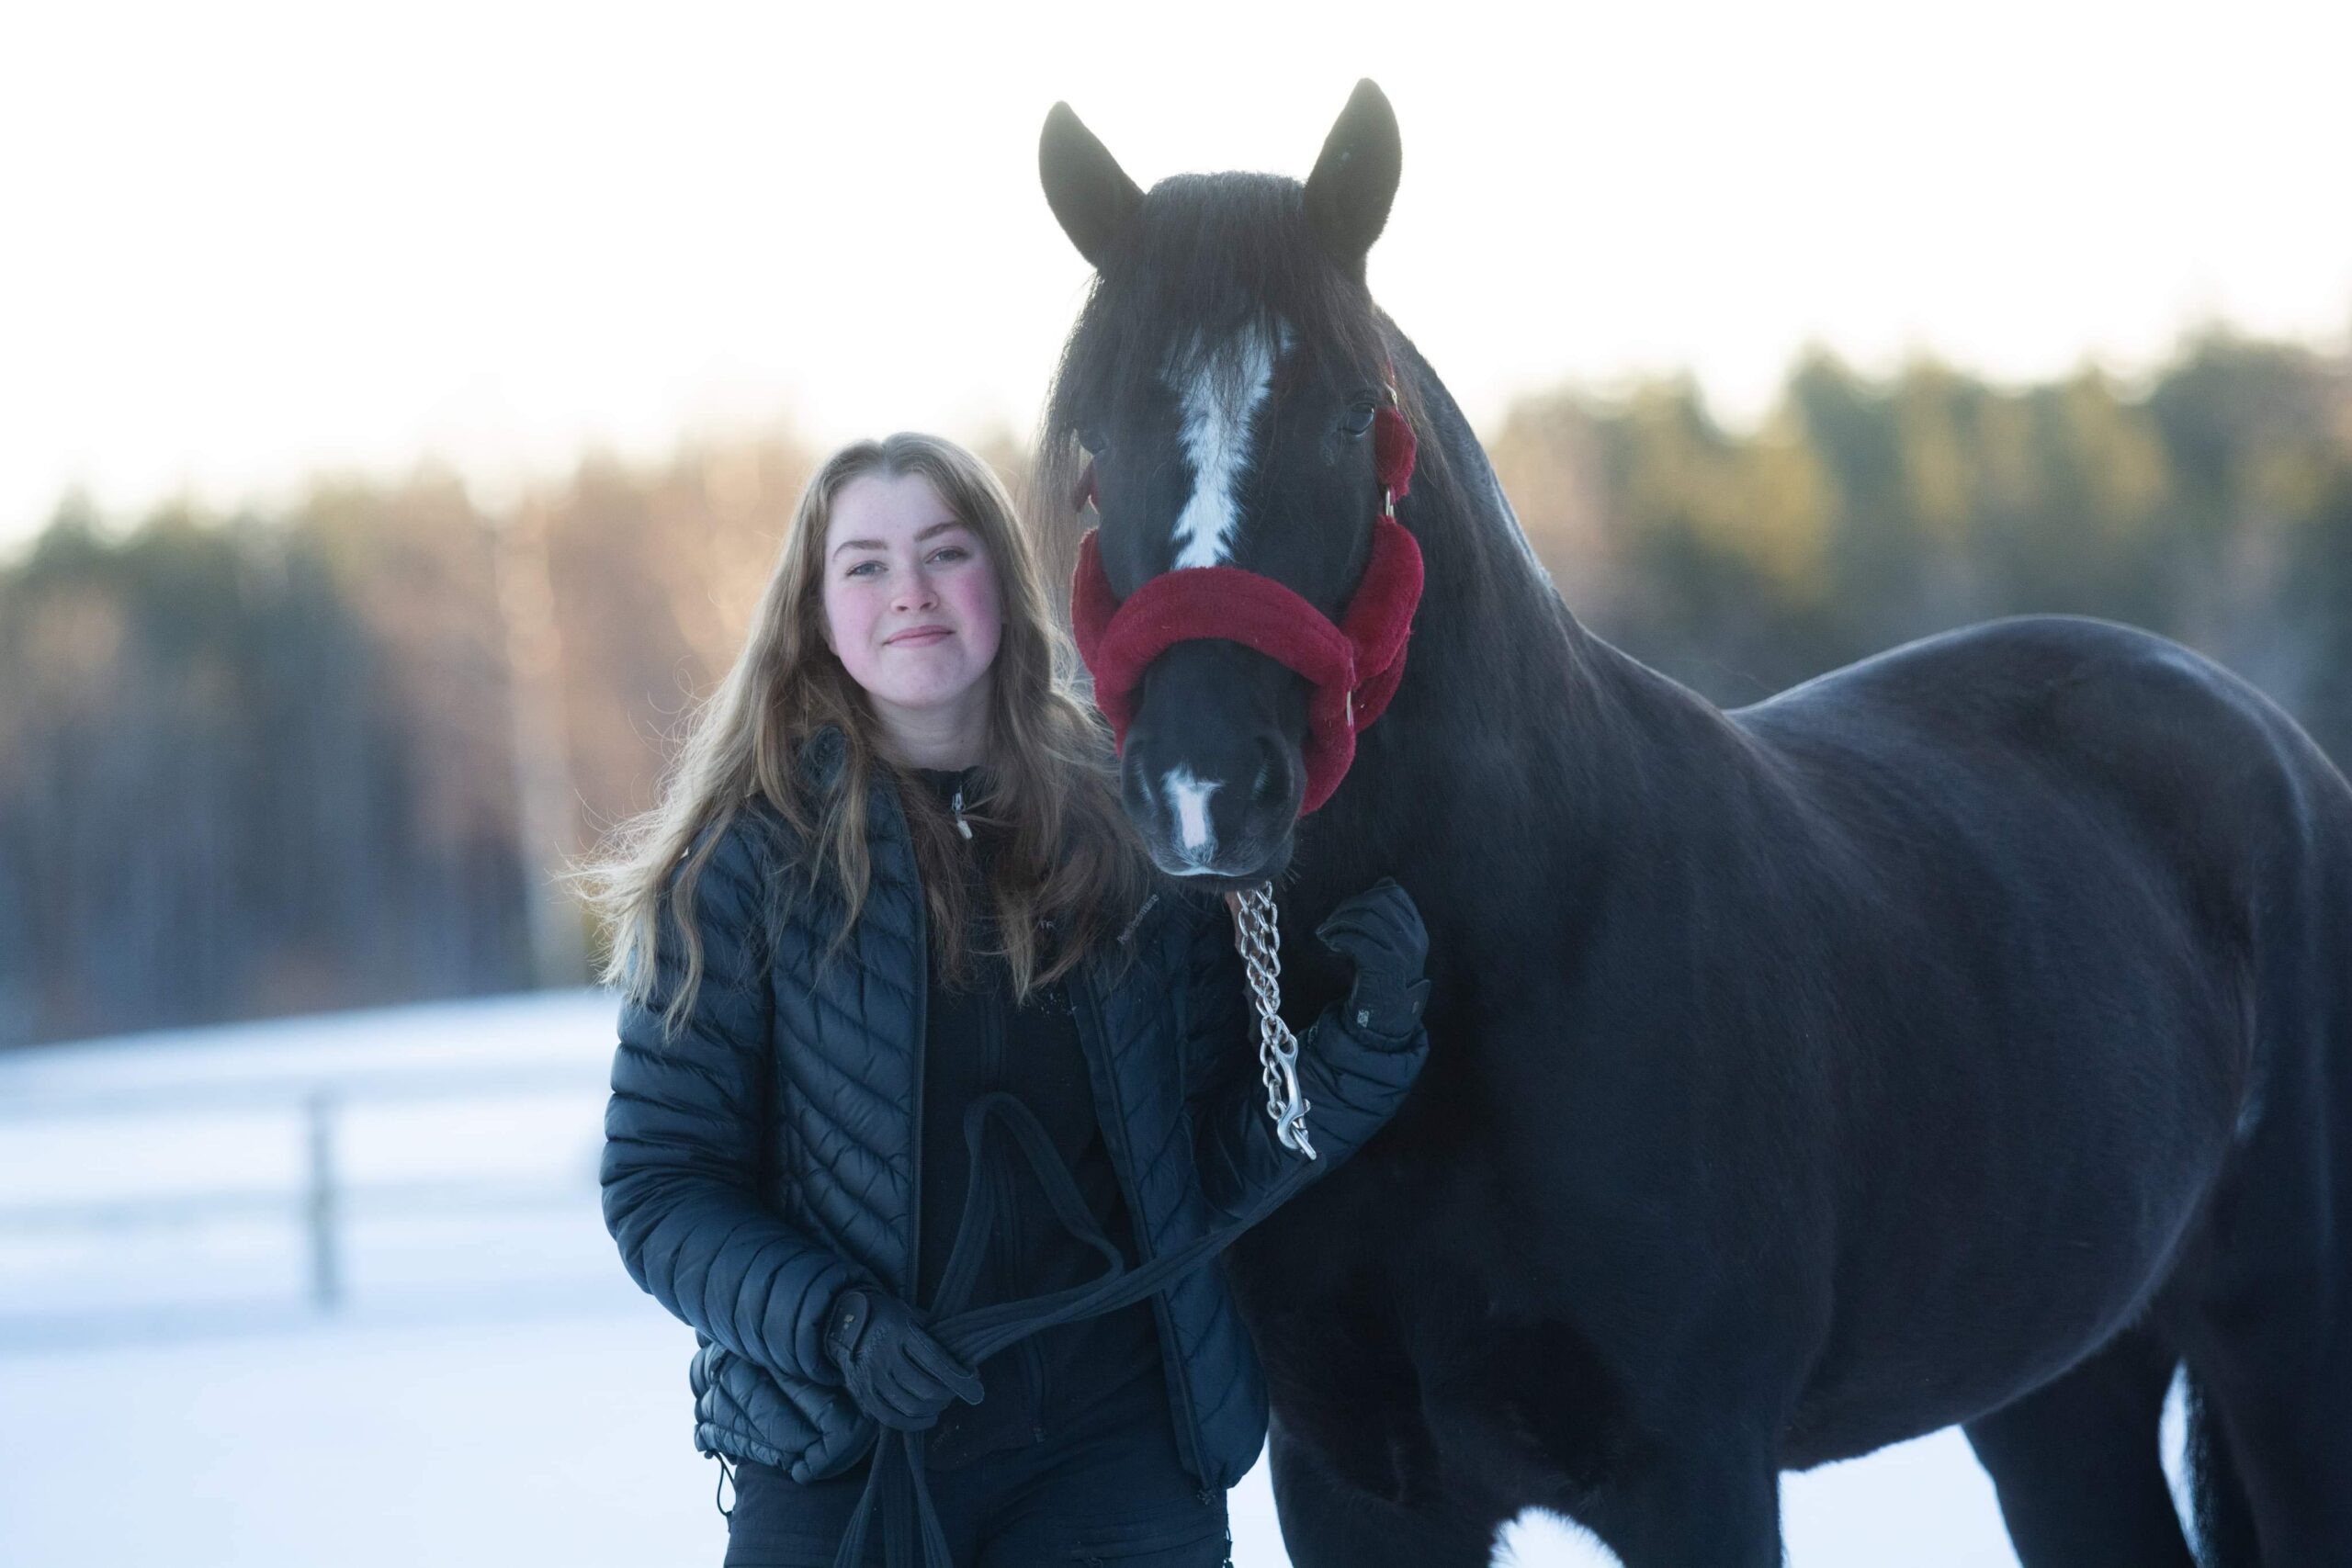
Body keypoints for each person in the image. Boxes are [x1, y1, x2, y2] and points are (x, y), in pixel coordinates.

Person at [582, 432, 1431, 1567]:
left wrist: (1365, 1045)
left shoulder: (1125, 839)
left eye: (945, 552)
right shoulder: (745, 867)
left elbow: (1203, 1171)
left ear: (1001, 580)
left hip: (1114, 1463)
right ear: (815, 610)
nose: (911, 594)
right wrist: (833, 1324)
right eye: (867, 565)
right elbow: (659, 1187)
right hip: (851, 1448)